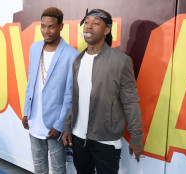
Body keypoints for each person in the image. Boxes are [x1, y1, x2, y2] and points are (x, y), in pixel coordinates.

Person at [62, 9, 144, 174]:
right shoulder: (78, 61)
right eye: (86, 23)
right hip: (78, 138)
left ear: (106, 30)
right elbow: (75, 98)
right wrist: (67, 126)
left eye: (95, 23)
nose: (89, 27)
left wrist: (136, 136)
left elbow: (130, 101)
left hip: (106, 141)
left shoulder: (121, 61)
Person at [22, 7, 79, 174]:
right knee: (39, 166)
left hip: (54, 124)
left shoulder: (71, 55)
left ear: (61, 26)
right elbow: (30, 82)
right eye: (43, 26)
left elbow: (70, 95)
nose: (46, 31)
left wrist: (61, 124)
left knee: (58, 168)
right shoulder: (34, 48)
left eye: (51, 26)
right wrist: (26, 111)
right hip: (34, 119)